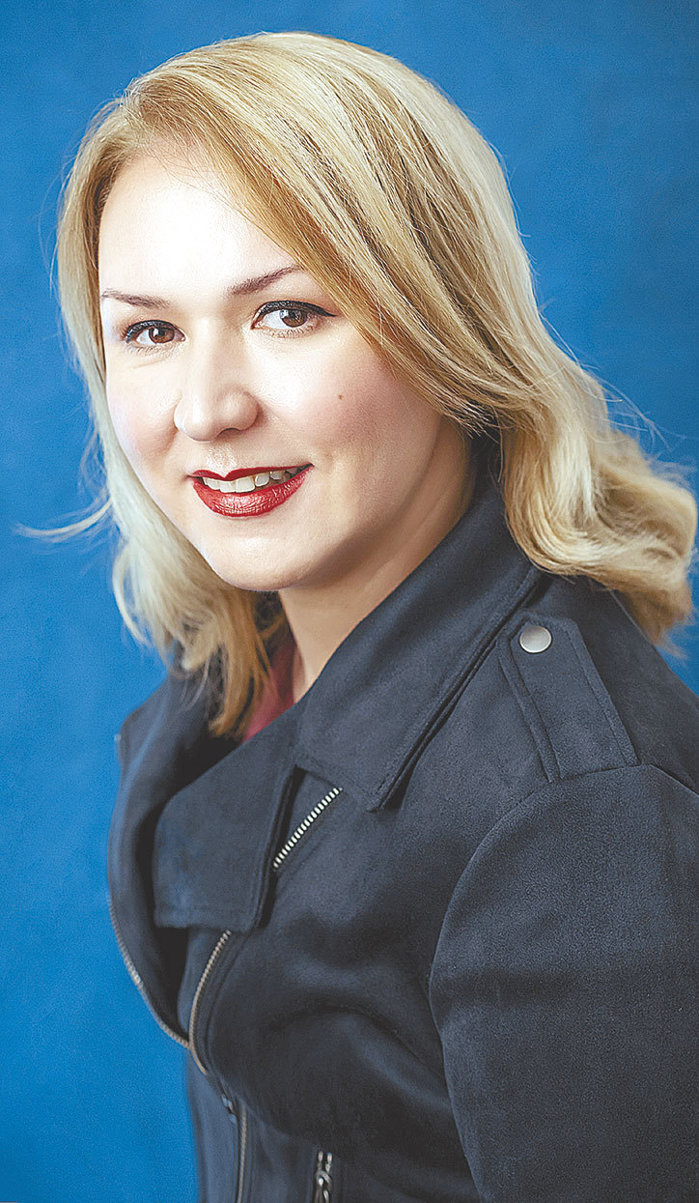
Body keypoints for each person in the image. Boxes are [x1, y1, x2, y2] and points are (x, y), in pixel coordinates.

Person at [56, 31, 698, 1203]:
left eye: (288, 313)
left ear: (446, 326)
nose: (205, 409)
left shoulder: (573, 815)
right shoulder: (250, 670)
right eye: (151, 330)